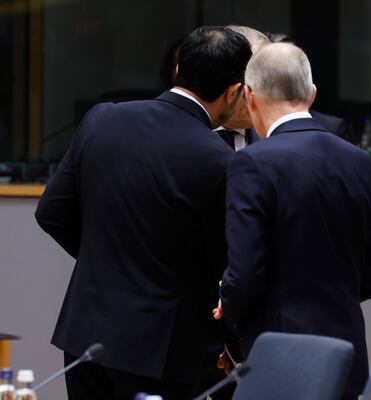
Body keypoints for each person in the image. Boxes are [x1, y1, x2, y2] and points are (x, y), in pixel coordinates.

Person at [34, 26, 252, 400]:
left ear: (179, 67)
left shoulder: (102, 118)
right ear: (233, 92)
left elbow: (51, 213)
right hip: (163, 350)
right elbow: (227, 267)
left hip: (86, 335)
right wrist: (236, 347)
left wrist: (106, 258)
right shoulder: (220, 161)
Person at [215, 42, 371, 399]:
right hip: (346, 352)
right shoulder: (358, 161)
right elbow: (368, 280)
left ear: (249, 96)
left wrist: (226, 306)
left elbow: (244, 273)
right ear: (312, 94)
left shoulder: (252, 162)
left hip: (281, 356)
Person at [213, 25, 270, 151]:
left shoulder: (278, 140)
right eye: (251, 77)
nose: (263, 91)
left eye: (267, 78)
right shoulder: (179, 134)